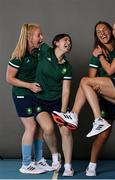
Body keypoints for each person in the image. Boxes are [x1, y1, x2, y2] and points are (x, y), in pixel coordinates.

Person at [52, 17, 115, 179]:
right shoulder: (97, 53)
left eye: (106, 30)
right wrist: (99, 90)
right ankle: (92, 165)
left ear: (113, 30)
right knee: (102, 134)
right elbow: (91, 79)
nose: (102, 33)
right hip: (107, 94)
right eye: (98, 32)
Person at [6, 23, 59, 174]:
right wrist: (29, 86)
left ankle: (39, 160)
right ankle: (26, 164)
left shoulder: (37, 53)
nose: (41, 37)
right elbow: (9, 78)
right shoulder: (18, 55)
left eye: (41, 35)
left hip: (35, 95)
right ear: (29, 37)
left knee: (40, 127)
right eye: (38, 35)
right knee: (31, 127)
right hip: (22, 94)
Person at [33, 33, 74, 176]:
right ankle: (55, 157)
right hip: (40, 100)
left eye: (70, 41)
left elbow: (66, 90)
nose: (69, 42)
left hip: (58, 102)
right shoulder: (45, 50)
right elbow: (33, 40)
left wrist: (62, 112)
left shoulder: (67, 67)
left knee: (66, 131)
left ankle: (68, 166)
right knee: (48, 128)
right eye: (65, 40)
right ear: (56, 42)